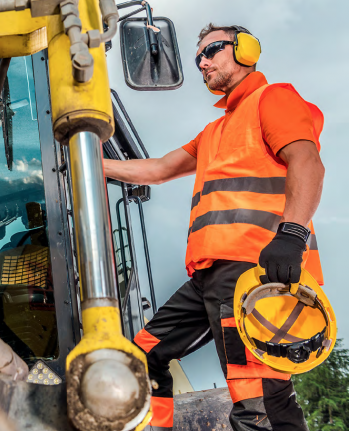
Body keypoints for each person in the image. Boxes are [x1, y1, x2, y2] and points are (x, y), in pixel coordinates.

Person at [103, 24, 325, 431]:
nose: (202, 62)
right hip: (210, 277)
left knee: (257, 399)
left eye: (212, 50)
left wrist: (292, 235)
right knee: (140, 356)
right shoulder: (215, 131)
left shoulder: (272, 99)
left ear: (246, 50)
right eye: (198, 57)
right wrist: (89, 163)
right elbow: (158, 169)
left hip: (257, 273)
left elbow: (307, 162)